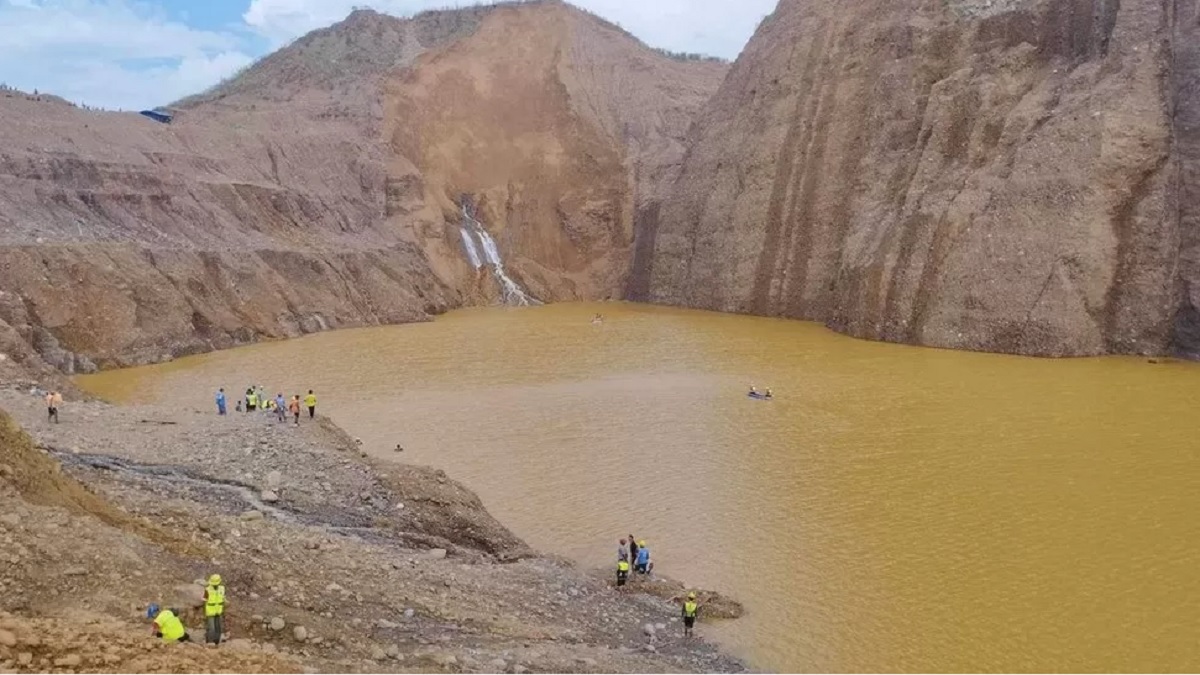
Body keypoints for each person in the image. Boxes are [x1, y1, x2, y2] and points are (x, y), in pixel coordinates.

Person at [203, 573, 226, 645]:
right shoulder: (207, 590)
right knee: (211, 628)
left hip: (219, 611)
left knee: (218, 628)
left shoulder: (222, 588)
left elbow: (223, 598)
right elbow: (204, 600)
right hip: (210, 612)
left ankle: (216, 642)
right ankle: (210, 642)